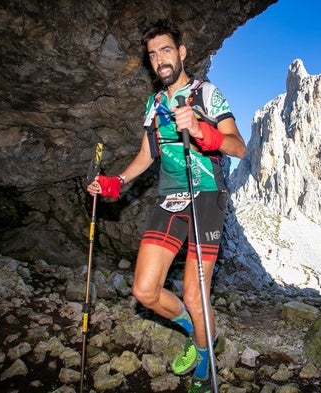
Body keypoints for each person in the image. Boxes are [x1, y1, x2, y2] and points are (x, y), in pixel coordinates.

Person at [86, 19, 246, 393]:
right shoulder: (154, 103)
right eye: (153, 54)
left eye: (166, 50)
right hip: (170, 198)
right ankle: (196, 330)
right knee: (144, 290)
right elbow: (147, 155)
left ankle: (205, 365)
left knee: (194, 293)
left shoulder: (207, 93)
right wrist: (116, 183)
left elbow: (238, 146)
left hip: (207, 196)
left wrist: (204, 131)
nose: (160, 59)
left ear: (182, 52)